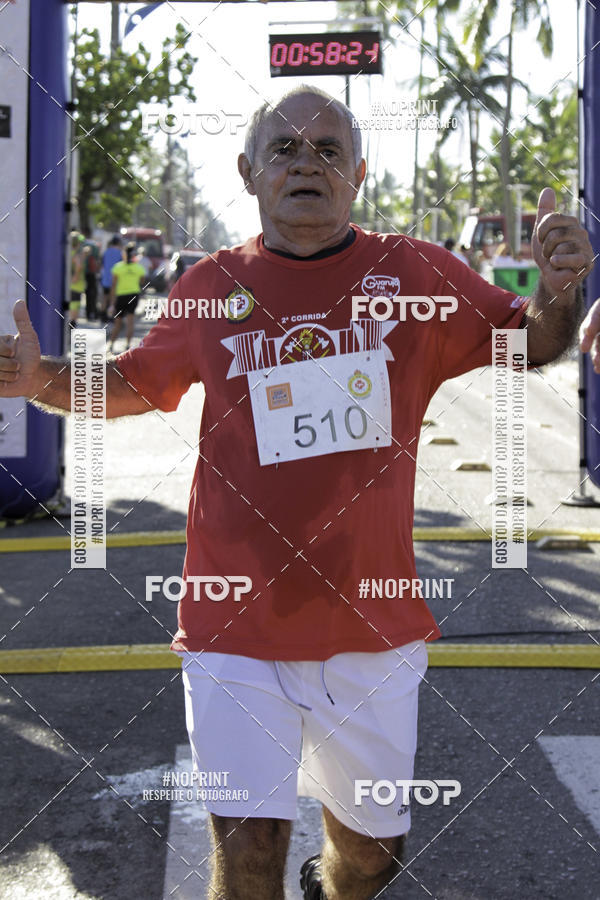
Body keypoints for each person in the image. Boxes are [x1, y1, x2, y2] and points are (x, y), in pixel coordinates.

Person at [0, 86, 594, 900]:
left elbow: (529, 342)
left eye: (326, 149)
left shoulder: (413, 272)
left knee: (373, 856)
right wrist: (40, 378)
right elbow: (137, 383)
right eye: (283, 149)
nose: (304, 163)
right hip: (232, 627)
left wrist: (560, 291)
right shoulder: (210, 285)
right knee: (246, 858)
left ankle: (333, 881)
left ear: (358, 173)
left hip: (372, 628)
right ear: (248, 173)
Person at [107, 243, 146, 351]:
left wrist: (111, 303)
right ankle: (128, 346)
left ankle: (111, 345)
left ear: (124, 254)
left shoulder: (118, 267)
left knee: (117, 323)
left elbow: (113, 285)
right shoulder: (139, 268)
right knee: (130, 322)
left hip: (121, 296)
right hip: (133, 296)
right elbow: (142, 281)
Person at [100, 234, 123, 322]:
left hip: (105, 278)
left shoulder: (106, 252)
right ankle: (111, 316)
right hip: (115, 280)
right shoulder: (119, 253)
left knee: (105, 297)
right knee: (113, 298)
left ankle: (102, 315)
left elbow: (102, 263)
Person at [67, 232, 85, 328]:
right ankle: (70, 334)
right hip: (75, 286)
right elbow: (79, 266)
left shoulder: (69, 252)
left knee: (72, 311)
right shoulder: (76, 255)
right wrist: (76, 277)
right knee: (74, 314)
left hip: (72, 286)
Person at [82, 229, 100, 321]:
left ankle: (87, 313)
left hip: (81, 272)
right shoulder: (94, 245)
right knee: (92, 294)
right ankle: (91, 313)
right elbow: (97, 261)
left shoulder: (81, 244)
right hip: (91, 273)